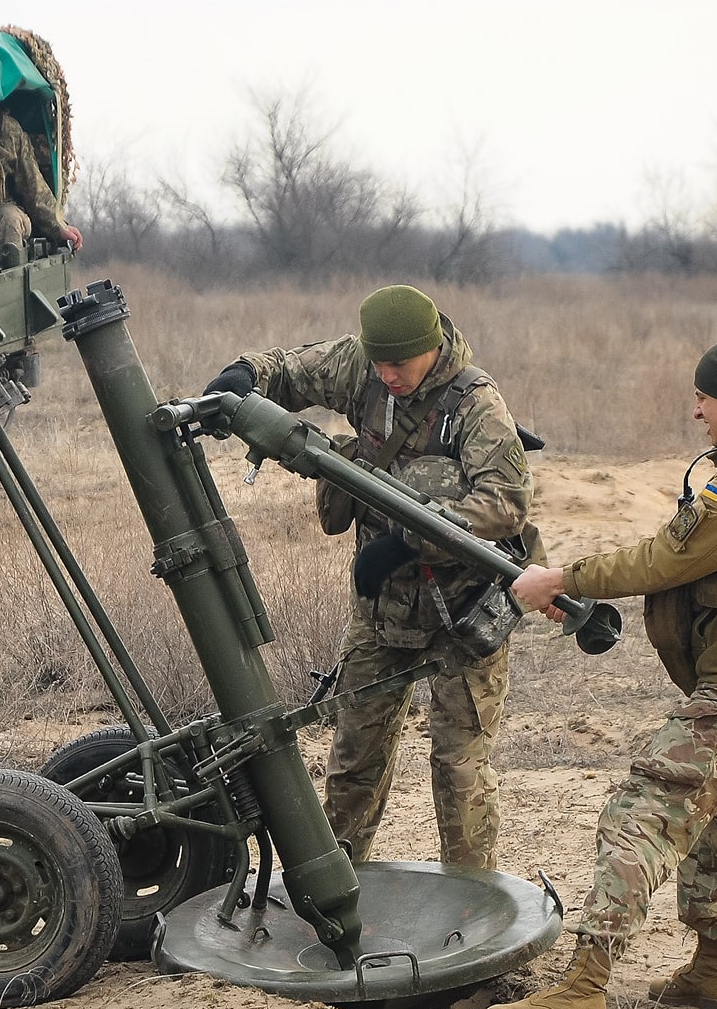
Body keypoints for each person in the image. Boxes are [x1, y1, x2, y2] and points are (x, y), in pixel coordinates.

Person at [486, 333, 717, 1009]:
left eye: (704, 397)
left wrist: (561, 577)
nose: (696, 412)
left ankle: (584, 986)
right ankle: (713, 972)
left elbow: (662, 561)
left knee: (639, 818)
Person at [204, 285, 537, 871]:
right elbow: (287, 370)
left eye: (400, 365)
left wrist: (409, 539)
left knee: (459, 768)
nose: (388, 376)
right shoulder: (362, 369)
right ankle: (337, 889)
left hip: (464, 610)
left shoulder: (477, 404)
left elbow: (505, 503)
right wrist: (241, 375)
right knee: (354, 756)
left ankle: (472, 905)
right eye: (379, 364)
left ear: (432, 349)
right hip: (384, 611)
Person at [0, 104, 81, 276]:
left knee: (10, 219)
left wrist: (58, 226)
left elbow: (33, 185)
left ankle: (2, 289)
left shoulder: (8, 131)